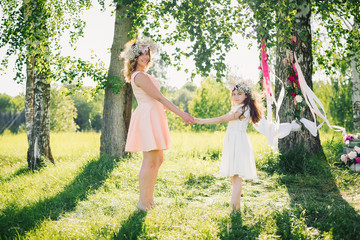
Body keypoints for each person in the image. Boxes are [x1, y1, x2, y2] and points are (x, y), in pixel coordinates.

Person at [121, 39, 194, 212]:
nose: (145, 57)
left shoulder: (144, 75)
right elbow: (159, 98)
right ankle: (142, 202)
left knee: (158, 160)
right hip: (147, 117)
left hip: (154, 115)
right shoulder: (139, 76)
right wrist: (182, 113)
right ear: (135, 57)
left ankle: (149, 200)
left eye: (147, 54)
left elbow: (158, 100)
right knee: (149, 160)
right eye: (142, 54)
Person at [194, 80, 264, 211]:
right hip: (233, 141)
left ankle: (232, 208)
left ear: (246, 96)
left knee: (237, 177)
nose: (236, 96)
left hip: (238, 142)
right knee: (234, 176)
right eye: (234, 94)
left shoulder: (243, 109)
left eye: (239, 94)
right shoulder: (238, 107)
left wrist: (200, 121)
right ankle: (236, 207)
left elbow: (221, 119)